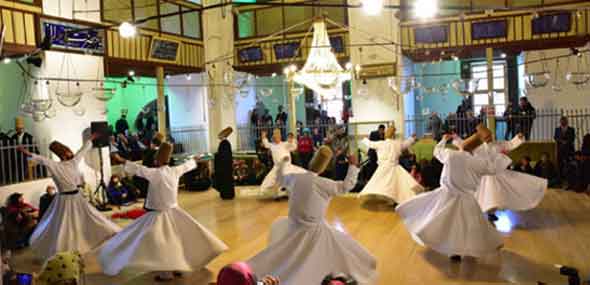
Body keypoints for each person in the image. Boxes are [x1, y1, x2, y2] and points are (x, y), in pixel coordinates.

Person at [247, 146, 377, 284]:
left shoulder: (296, 178)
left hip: (293, 227)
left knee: (282, 257)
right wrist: (352, 167)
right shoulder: (323, 184)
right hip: (315, 231)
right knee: (347, 251)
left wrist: (281, 164)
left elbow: (280, 178)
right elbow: (346, 186)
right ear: (325, 166)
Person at [100, 143, 228, 281]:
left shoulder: (154, 173)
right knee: (177, 241)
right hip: (174, 213)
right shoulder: (175, 171)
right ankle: (178, 266)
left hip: (159, 215)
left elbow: (138, 169)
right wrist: (194, 159)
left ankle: (166, 273)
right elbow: (187, 165)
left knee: (162, 245)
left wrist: (121, 159)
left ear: (157, 160)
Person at [396, 131, 512, 262]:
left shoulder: (450, 155)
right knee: (470, 227)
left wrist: (443, 140)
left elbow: (436, 151)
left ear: (462, 146)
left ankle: (454, 250)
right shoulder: (477, 162)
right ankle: (470, 248)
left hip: (447, 195)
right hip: (467, 199)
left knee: (444, 223)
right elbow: (493, 168)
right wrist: (500, 156)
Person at [17, 136, 120, 260]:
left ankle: (97, 236)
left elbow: (82, 150)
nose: (70, 154)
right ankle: (67, 248)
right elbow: (40, 159)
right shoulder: (57, 164)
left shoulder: (69, 162)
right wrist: (25, 152)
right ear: (63, 155)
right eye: (67, 152)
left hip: (74, 197)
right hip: (65, 199)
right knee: (65, 225)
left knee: (87, 218)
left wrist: (90, 139)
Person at [453, 129, 547, 221]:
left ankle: (491, 213)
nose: (489, 138)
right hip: (482, 174)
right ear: (483, 137)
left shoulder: (497, 144)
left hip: (496, 173)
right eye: (487, 137)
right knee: (481, 194)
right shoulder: (478, 146)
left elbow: (509, 144)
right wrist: (456, 138)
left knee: (495, 194)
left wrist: (518, 138)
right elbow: (464, 144)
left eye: (490, 136)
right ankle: (480, 212)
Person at [359, 126, 423, 205]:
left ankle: (390, 199)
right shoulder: (397, 143)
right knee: (397, 184)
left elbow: (370, 144)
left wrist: (365, 139)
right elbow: (405, 144)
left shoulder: (380, 144)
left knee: (381, 184)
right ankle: (395, 199)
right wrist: (412, 139)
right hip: (394, 168)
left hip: (384, 168)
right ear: (393, 135)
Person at [260, 129, 298, 199]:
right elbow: (266, 144)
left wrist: (292, 141)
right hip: (277, 167)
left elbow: (294, 147)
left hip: (287, 167)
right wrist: (263, 136)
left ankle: (288, 193)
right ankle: (276, 194)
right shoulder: (272, 145)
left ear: (280, 136)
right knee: (270, 182)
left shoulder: (285, 144)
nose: (276, 136)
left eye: (278, 135)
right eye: (275, 135)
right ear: (273, 137)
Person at [11, 117, 41, 182]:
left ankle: (22, 178)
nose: (19, 130)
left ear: (23, 129)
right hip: (17, 156)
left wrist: (24, 150)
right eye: (17, 129)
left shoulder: (29, 137)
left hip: (27, 156)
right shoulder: (13, 137)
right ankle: (14, 178)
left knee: (24, 161)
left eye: (20, 128)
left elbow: (33, 149)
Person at [214, 127, 235, 200]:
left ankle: (226, 195)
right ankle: (228, 194)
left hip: (224, 167)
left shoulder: (224, 143)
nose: (218, 136)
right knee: (227, 181)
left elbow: (223, 156)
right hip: (226, 166)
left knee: (226, 181)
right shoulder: (226, 143)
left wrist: (217, 155)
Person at [554, 116, 575, 182]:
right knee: (560, 166)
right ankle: (560, 180)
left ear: (567, 121)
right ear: (560, 122)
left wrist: (566, 142)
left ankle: (568, 180)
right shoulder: (557, 129)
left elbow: (572, 138)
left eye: (564, 121)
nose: (563, 122)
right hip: (560, 150)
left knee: (568, 166)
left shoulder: (571, 129)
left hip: (569, 150)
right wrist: (561, 141)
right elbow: (555, 137)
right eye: (562, 121)